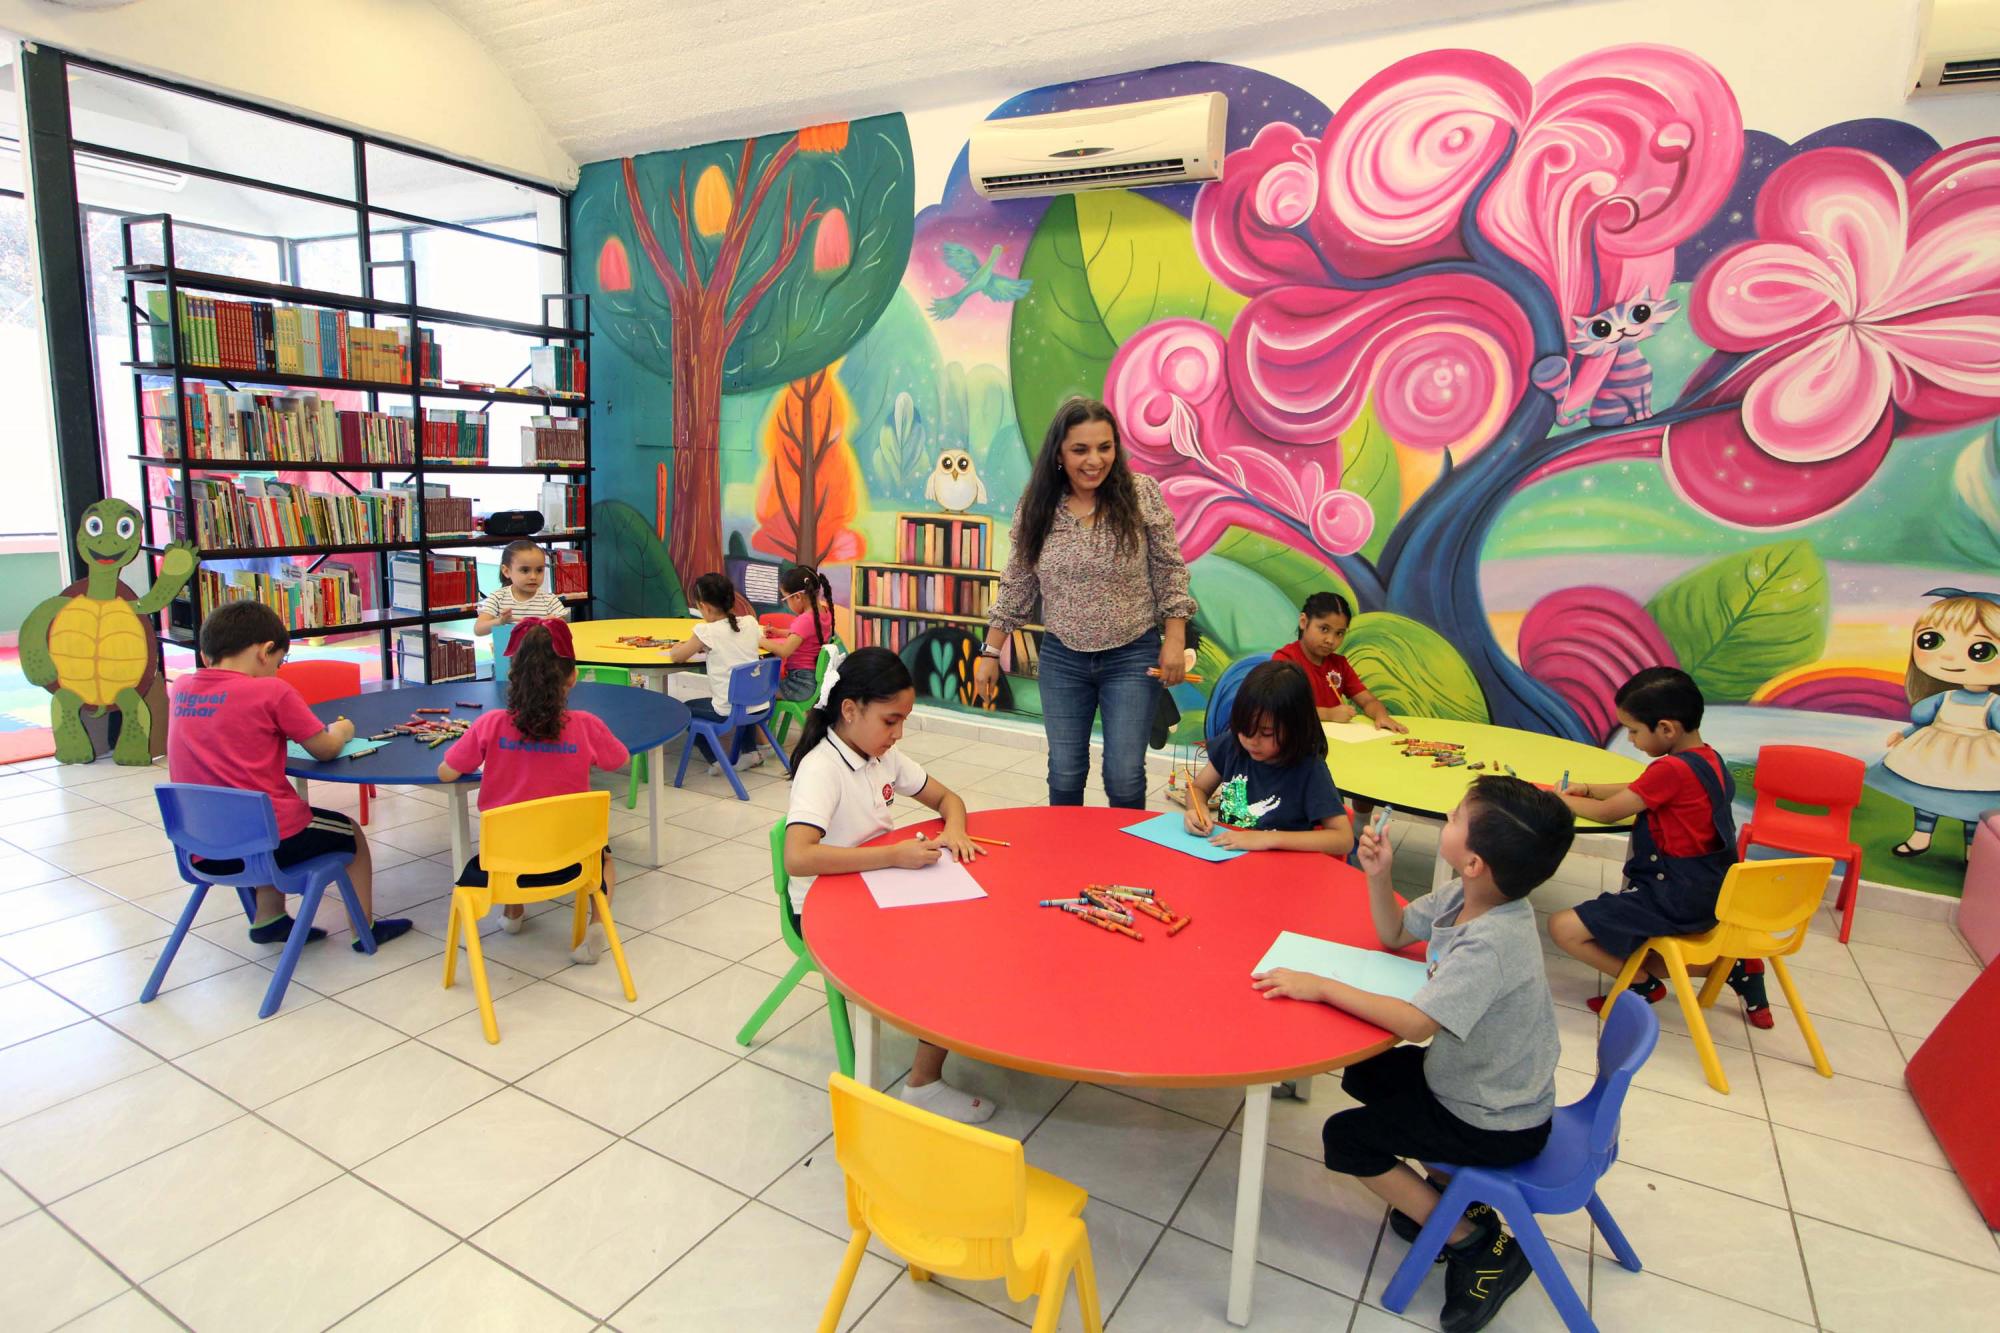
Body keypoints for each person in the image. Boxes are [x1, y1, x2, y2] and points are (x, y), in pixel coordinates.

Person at [1252, 776, 1574, 1333]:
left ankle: (1474, 1241)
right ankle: (1450, 1195)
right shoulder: (1468, 896)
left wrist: (1322, 985)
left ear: (1473, 861)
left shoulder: (1492, 943)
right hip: (1479, 1086)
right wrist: (1378, 876)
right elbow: (1395, 931)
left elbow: (1416, 1022)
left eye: (1452, 818)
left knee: (1346, 1138)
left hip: (1493, 1118)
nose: (1444, 819)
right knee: (1367, 1071)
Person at [783, 646, 999, 1124]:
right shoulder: (821, 769)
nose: (897, 734)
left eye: (903, 721)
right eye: (890, 721)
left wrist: (956, 828)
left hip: (874, 886)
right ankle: (923, 1084)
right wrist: (892, 857)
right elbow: (797, 857)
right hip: (824, 911)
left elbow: (948, 798)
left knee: (973, 929)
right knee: (949, 957)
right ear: (850, 709)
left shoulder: (882, 755)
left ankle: (952, 1035)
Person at [973, 396, 1197, 808]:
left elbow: (1169, 568)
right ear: (1059, 452)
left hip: (1132, 654)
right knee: (1065, 769)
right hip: (1064, 658)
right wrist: (991, 650)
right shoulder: (1038, 506)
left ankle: (1125, 864)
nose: (1094, 460)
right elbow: (1018, 581)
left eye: (1104, 447)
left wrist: (1174, 638)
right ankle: (1070, 863)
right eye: (1080, 450)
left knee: (1125, 773)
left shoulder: (1140, 494)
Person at [165, 601, 411, 952]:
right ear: (265, 652)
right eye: (279, 663)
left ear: (206, 655)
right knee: (350, 833)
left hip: (201, 845)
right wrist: (341, 731)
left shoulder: (182, 688)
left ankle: (270, 918)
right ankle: (364, 930)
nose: (278, 672)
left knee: (253, 814)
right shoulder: (271, 692)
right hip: (267, 843)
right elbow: (324, 749)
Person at [1547, 667, 1770, 1026]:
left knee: (1563, 928)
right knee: (1638, 951)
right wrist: (1587, 788)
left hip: (1674, 894)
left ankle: (1642, 985)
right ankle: (1732, 965)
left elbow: (1607, 813)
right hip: (1710, 889)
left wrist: (1559, 800)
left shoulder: (1670, 771)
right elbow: (1640, 787)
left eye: (1634, 731)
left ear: (1666, 728)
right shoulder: (1708, 758)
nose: (1632, 740)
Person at [436, 618, 628, 964]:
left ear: (514, 675)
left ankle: (513, 914)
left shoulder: (490, 725)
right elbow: (618, 759)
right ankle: (597, 926)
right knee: (607, 859)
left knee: (512, 832)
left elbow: (447, 772)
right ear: (572, 676)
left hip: (504, 865)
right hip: (574, 858)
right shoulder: (586, 726)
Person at [1870, 588, 2000, 860]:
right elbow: (1923, 720)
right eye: (1931, 640)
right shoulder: (1945, 698)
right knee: (1925, 793)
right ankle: (1920, 837)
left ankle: (1972, 848)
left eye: (1981, 650)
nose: (1950, 658)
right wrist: (1904, 734)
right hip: (1933, 752)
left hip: (1978, 761)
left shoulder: (1993, 704)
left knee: (1972, 805)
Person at [1182, 659, 1354, 855]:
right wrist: (1195, 809)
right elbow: (1199, 788)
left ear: (1295, 727)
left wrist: (1267, 839)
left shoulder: (1309, 769)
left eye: (1266, 733)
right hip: (1229, 863)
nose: (1252, 741)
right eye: (1244, 729)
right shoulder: (1233, 745)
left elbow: (1343, 839)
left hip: (1281, 873)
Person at [667, 572, 769, 773]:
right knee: (743, 694)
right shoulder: (749, 622)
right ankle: (750, 752)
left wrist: (676, 648)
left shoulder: (706, 632)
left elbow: (678, 657)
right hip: (760, 704)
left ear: (704, 606)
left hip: (729, 710)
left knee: (684, 711)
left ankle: (716, 759)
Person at [1270, 591, 1408, 731]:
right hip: (1298, 741)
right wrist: (1329, 714)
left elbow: (1368, 701)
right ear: (1304, 622)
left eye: (1339, 633)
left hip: (1336, 743)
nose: (1331, 640)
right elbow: (1282, 710)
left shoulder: (1339, 664)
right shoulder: (1285, 660)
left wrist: (1381, 716)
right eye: (1324, 629)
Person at [761, 564, 837, 702]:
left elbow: (784, 651)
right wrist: (778, 632)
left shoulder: (805, 620)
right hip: (812, 681)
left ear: (797, 597)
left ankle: (757, 724)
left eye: (785, 599)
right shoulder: (823, 613)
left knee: (758, 691)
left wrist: (759, 641)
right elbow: (804, 635)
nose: (786, 604)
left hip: (799, 684)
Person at [474, 540, 569, 636]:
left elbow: (565, 630)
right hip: (508, 650)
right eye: (525, 570)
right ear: (506, 571)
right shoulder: (498, 598)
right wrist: (500, 621)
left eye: (539, 570)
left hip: (539, 650)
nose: (533, 576)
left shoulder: (550, 600)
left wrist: (552, 623)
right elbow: (478, 629)